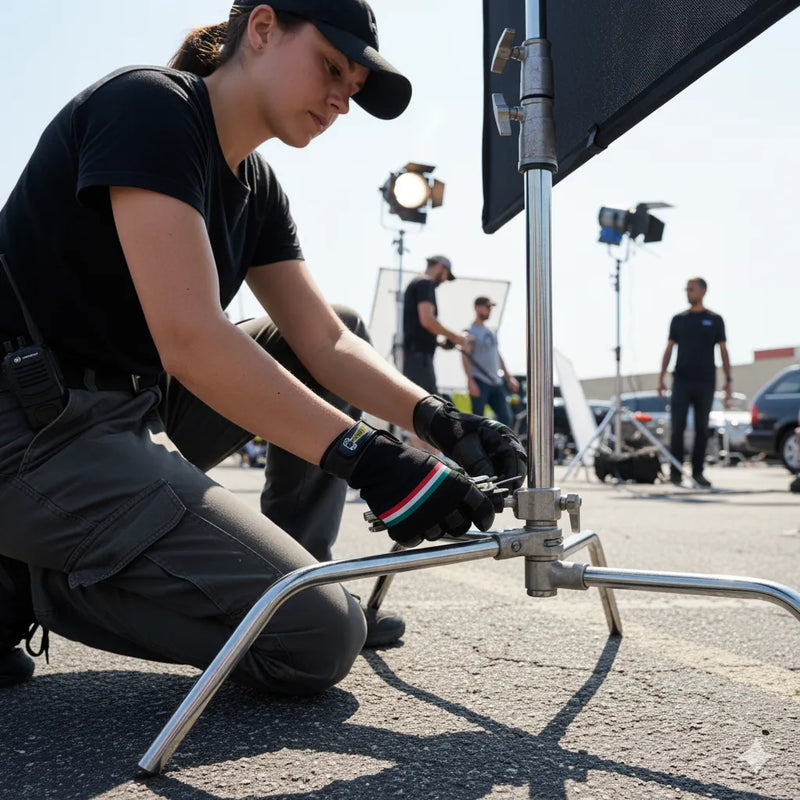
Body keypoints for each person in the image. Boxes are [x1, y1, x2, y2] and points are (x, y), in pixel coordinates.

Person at [0, 1, 526, 691]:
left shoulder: (257, 184)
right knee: (317, 639)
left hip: (128, 414)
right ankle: (28, 579)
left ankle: (299, 566)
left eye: (355, 88)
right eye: (332, 67)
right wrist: (369, 459)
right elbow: (190, 339)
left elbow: (328, 340)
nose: (342, 98)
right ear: (262, 28)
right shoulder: (148, 107)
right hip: (32, 428)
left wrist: (437, 420)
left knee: (334, 322)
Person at [657, 277, 731, 488]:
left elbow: (723, 351)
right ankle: (676, 472)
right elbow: (669, 348)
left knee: (702, 428)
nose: (688, 292)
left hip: (706, 382)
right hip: (681, 381)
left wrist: (728, 380)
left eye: (691, 289)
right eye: (686, 290)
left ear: (703, 291)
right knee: (677, 428)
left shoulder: (715, 320)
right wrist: (661, 376)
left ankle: (698, 472)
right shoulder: (678, 320)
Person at [401, 255, 470, 395]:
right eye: (446, 274)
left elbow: (417, 326)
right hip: (420, 359)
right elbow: (427, 320)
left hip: (415, 357)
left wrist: (439, 342)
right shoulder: (425, 283)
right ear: (440, 266)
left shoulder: (416, 282)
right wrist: (456, 337)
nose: (444, 279)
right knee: (430, 405)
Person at [462, 296, 520, 427]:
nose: (489, 310)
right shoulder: (470, 332)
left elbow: (497, 356)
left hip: (496, 382)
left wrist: (509, 377)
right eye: (487, 307)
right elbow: (465, 356)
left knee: (506, 418)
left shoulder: (491, 332)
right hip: (480, 380)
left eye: (490, 308)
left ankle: (498, 445)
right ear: (477, 308)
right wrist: (470, 380)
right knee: (477, 419)